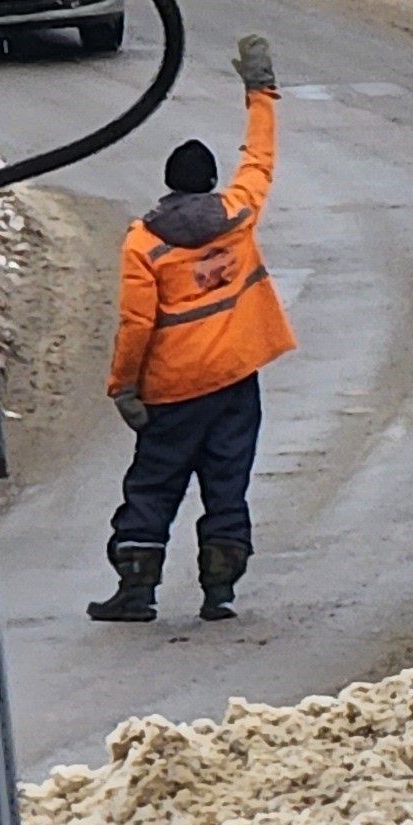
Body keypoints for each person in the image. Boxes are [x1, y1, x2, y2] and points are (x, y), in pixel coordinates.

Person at [91, 33, 290, 624]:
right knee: (227, 484)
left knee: (153, 487)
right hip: (234, 382)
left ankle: (136, 591)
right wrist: (261, 93)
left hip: (173, 391)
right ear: (208, 185)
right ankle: (219, 593)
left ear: (169, 184)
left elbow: (135, 324)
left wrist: (123, 388)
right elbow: (259, 159)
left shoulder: (145, 244)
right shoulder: (238, 216)